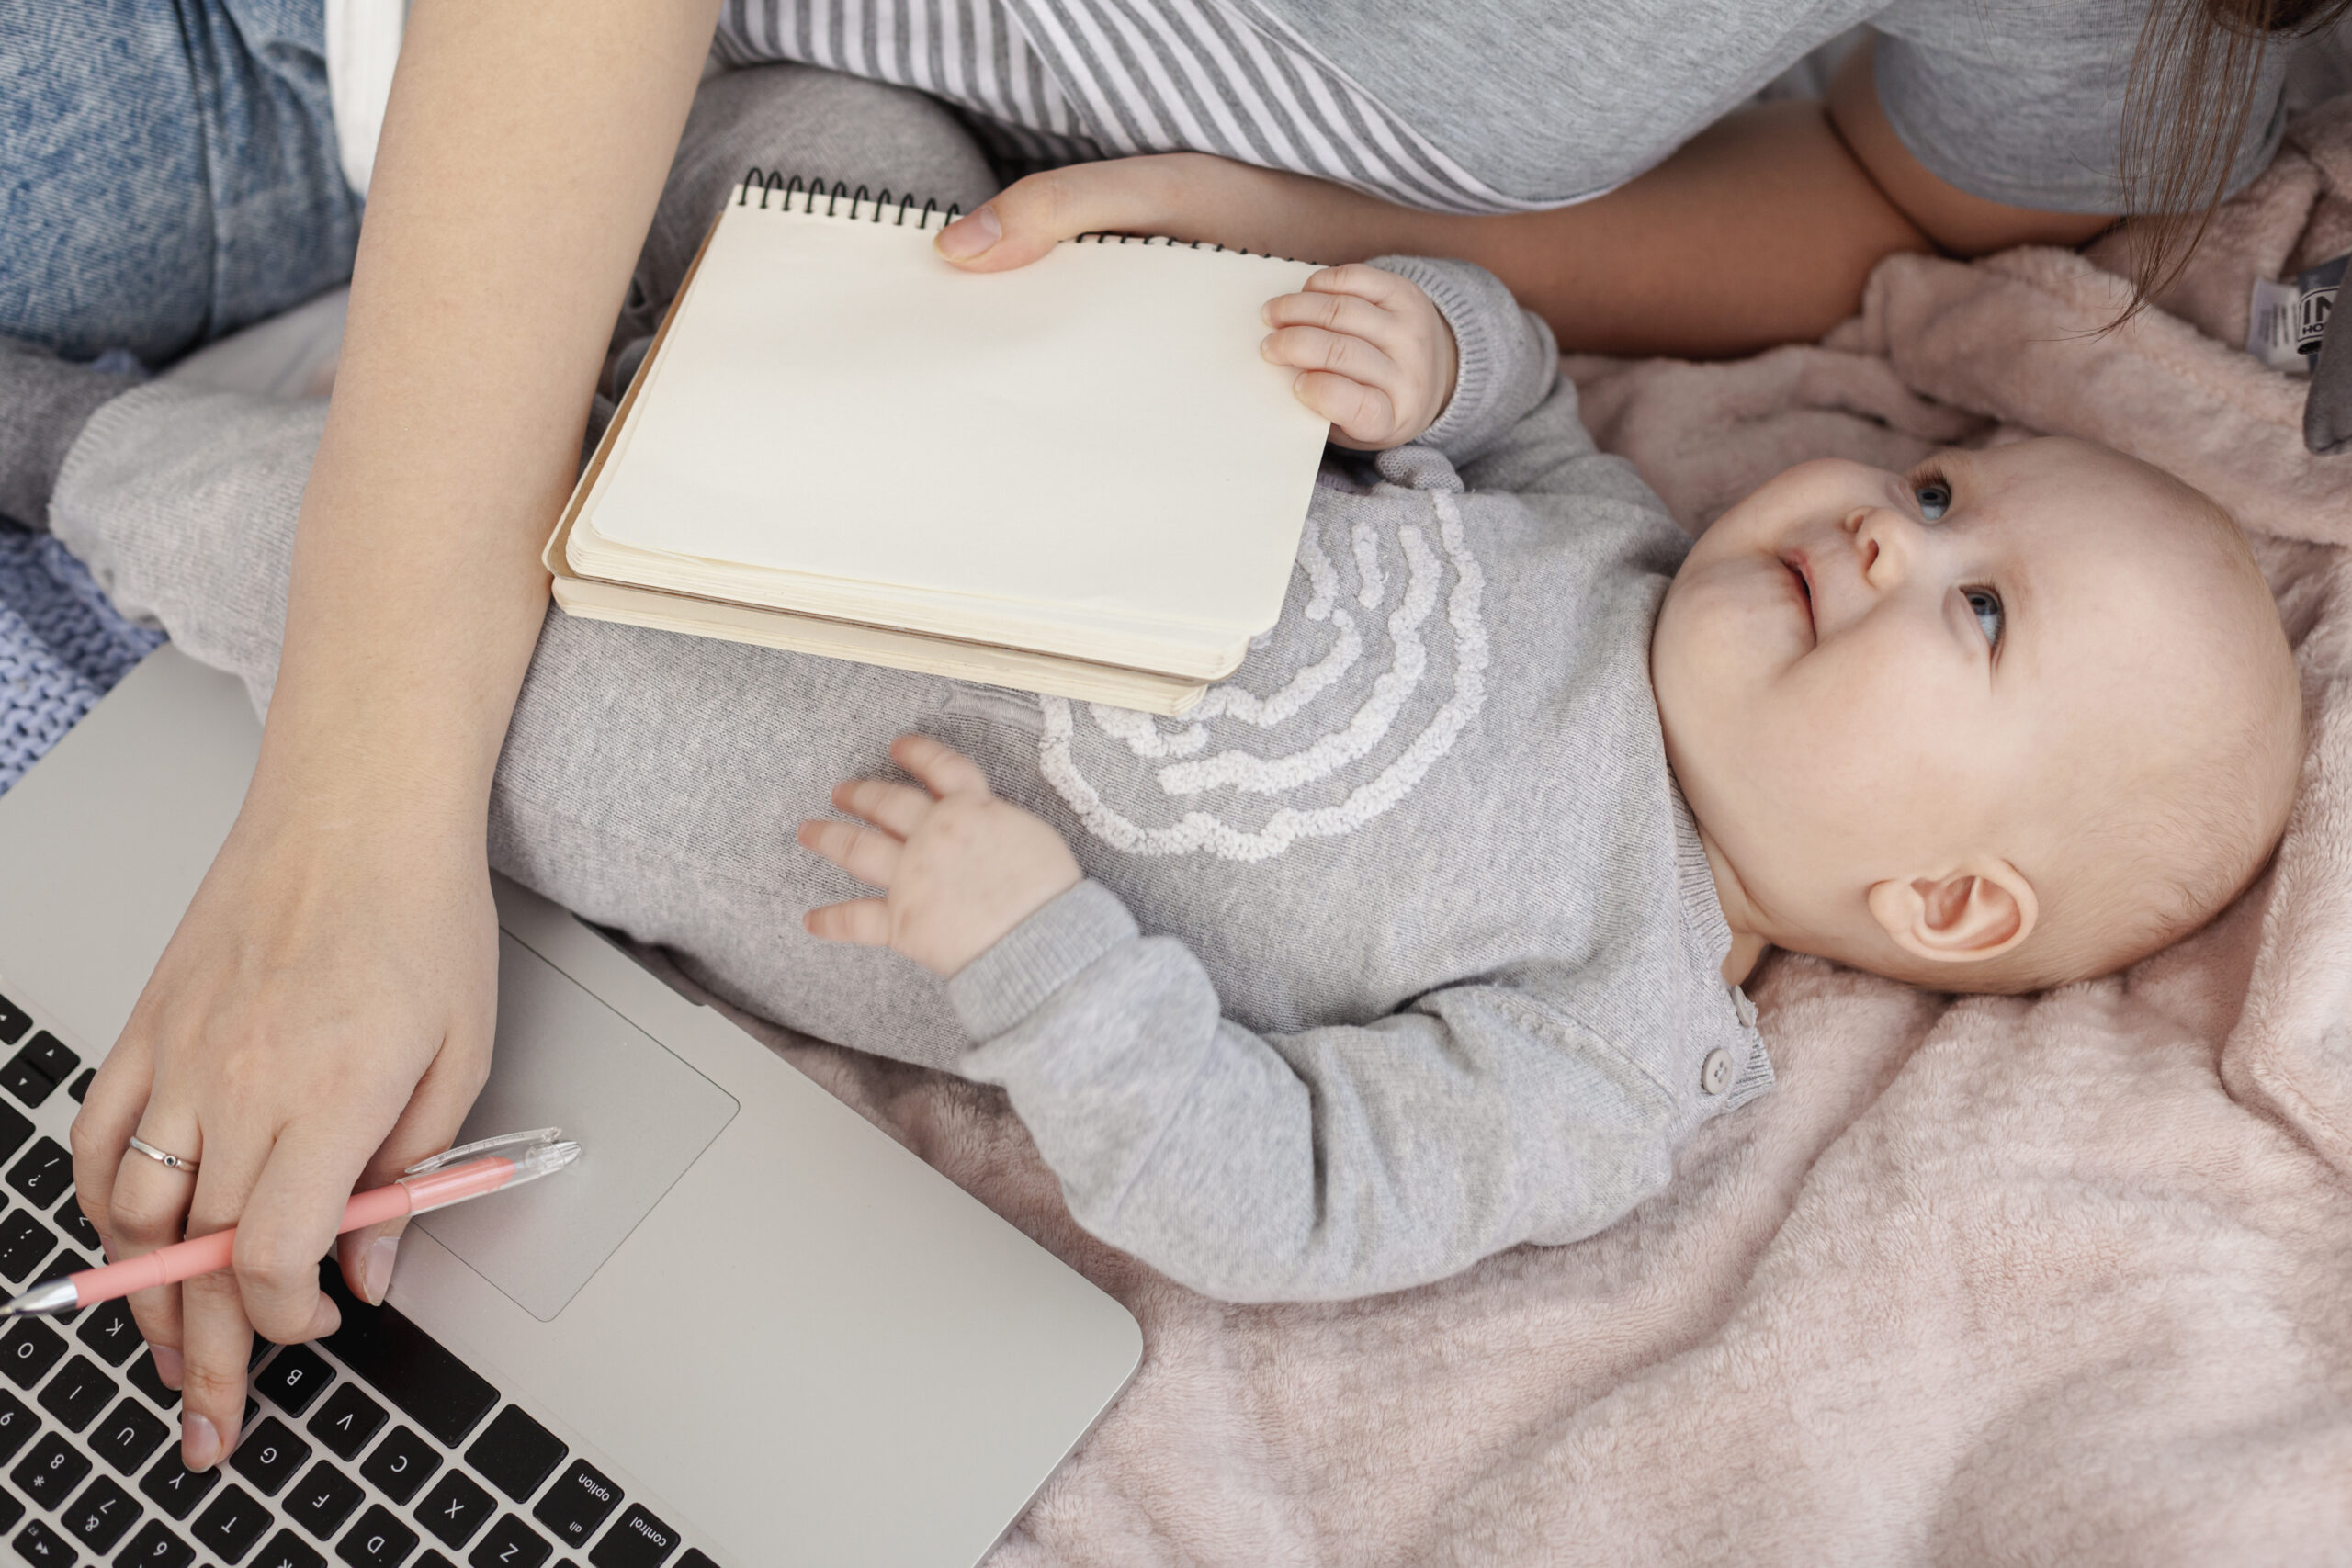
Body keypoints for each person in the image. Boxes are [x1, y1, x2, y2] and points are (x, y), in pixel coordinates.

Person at [0, 0, 2329, 1465]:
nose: (1885, 536)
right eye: (1934, 493)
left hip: (662, 719)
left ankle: (49, 450)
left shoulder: (1622, 1047)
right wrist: (1430, 345)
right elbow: (1505, 401)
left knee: (234, 531)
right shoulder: (1619, 557)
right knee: (848, 157)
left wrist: (1047, 963)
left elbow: (1280, 1191)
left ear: (1944, 899)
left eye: (1974, 607)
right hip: (809, 275)